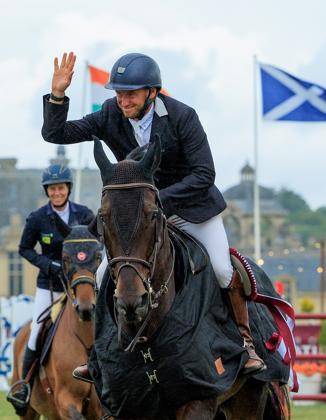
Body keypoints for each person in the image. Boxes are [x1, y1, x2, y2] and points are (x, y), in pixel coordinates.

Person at [41, 51, 266, 381]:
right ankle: (100, 355)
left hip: (191, 211)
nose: (122, 100)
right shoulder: (109, 114)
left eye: (130, 94)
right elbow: (55, 134)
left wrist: (158, 200)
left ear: (152, 92)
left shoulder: (182, 116)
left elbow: (205, 174)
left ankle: (246, 344)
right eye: (118, 93)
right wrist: (58, 95)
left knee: (220, 269)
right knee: (104, 275)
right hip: (142, 220)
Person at [7, 164, 94, 411]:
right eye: (53, 189)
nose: (57, 193)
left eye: (61, 188)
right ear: (48, 191)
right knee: (35, 331)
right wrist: (49, 265)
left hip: (81, 287)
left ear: (68, 189)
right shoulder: (37, 219)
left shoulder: (85, 215)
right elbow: (24, 249)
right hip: (51, 286)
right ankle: (23, 385)